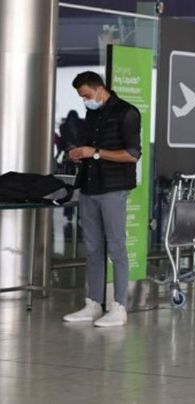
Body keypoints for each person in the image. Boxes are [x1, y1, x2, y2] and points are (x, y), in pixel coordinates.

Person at [63, 71, 141, 327]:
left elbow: (132, 154)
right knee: (93, 247)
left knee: (116, 247)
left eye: (86, 95)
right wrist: (78, 154)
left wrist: (94, 153)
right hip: (90, 187)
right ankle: (93, 303)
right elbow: (90, 148)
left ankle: (119, 306)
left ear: (99, 89)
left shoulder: (127, 113)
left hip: (114, 188)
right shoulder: (92, 113)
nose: (85, 100)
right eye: (82, 97)